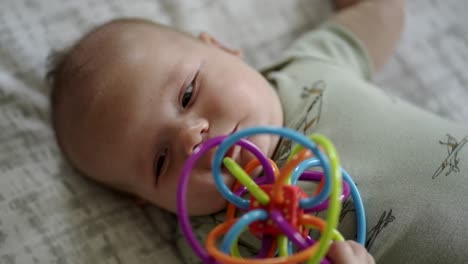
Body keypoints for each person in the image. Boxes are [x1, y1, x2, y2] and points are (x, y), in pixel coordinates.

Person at [47, 0, 468, 262]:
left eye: (188, 93)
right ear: (148, 200)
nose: (192, 137)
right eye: (160, 160)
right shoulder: (224, 243)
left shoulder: (308, 65)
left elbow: (381, 12)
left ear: (221, 47)